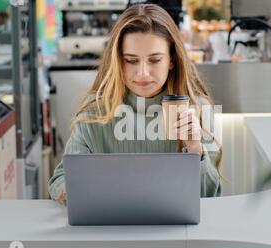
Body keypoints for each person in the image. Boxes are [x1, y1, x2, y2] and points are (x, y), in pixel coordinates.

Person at [48, 4, 224, 203]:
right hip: (110, 228)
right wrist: (67, 189)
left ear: (172, 60)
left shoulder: (197, 109)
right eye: (131, 61)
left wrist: (195, 149)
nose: (142, 73)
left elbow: (212, 195)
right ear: (118, 61)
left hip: (177, 232)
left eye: (155, 60)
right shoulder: (96, 111)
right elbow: (60, 179)